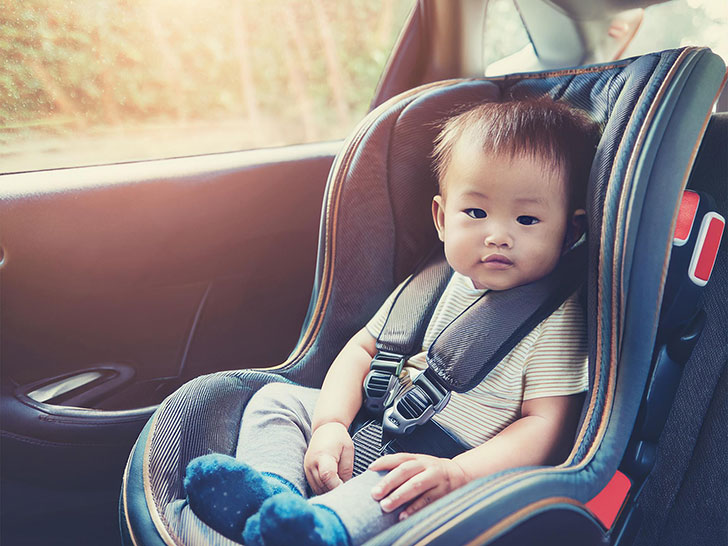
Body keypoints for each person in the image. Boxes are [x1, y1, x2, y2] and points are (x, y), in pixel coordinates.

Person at [183, 98, 601, 546]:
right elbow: (363, 350)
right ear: (442, 219)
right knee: (276, 400)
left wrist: (459, 472)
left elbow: (546, 426)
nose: (497, 234)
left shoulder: (557, 318)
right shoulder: (434, 281)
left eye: (527, 218)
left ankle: (317, 530)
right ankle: (271, 494)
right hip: (373, 418)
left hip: (448, 459)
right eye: (476, 213)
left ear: (571, 232)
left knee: (392, 490)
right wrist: (330, 425)